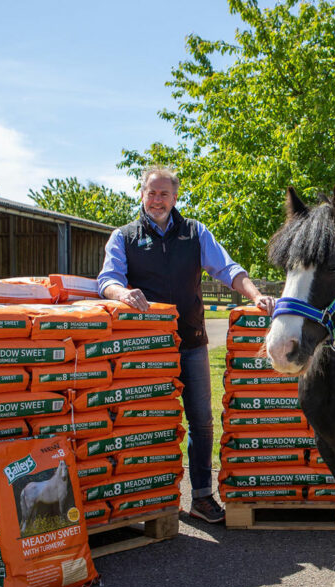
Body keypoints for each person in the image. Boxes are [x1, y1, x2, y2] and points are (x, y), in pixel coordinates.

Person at [98, 165, 274, 524]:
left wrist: (255, 295)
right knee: (144, 421)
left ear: (175, 197)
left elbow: (227, 269)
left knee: (201, 421)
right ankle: (146, 499)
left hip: (192, 341)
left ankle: (201, 496)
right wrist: (122, 292)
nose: (157, 200)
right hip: (146, 349)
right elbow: (107, 280)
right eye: (152, 192)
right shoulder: (124, 237)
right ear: (142, 194)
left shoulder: (195, 233)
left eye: (164, 194)